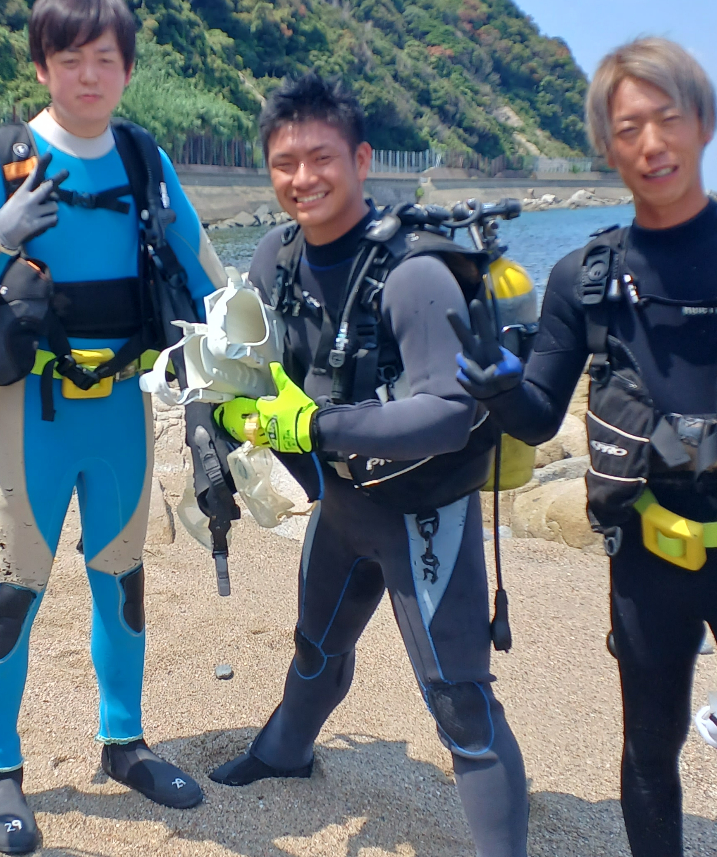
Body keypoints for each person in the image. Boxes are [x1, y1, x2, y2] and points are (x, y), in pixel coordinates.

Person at [450, 37, 717, 857]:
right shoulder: (584, 278)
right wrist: (497, 387)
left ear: (704, 124)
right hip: (646, 564)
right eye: (627, 126)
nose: (649, 142)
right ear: (605, 146)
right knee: (647, 752)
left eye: (667, 118)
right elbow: (538, 417)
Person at [0, 0, 226, 854]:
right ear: (42, 65)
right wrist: (1, 230)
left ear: (128, 69)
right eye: (71, 59)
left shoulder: (142, 157)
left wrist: (254, 360)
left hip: (124, 408)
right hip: (36, 408)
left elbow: (204, 268)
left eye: (106, 59)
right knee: (17, 585)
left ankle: (123, 743)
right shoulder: (9, 157)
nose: (89, 76)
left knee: (122, 577)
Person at [208, 73, 530, 857]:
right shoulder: (276, 255)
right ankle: (285, 753)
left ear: (359, 159)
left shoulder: (413, 273)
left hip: (424, 509)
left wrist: (314, 425)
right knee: (316, 647)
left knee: (458, 700)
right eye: (284, 162)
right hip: (342, 506)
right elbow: (244, 366)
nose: (302, 178)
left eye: (321, 158)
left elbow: (450, 417)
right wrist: (219, 416)